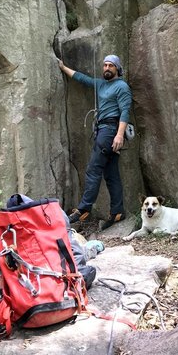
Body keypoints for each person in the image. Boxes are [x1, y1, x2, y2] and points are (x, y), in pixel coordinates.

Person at [58, 54, 132, 229]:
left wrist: (119, 135)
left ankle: (84, 209)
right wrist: (63, 68)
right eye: (105, 65)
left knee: (93, 169)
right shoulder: (100, 84)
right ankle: (117, 212)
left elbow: (125, 112)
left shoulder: (121, 87)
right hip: (103, 130)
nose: (107, 68)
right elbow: (82, 78)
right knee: (111, 173)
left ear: (117, 69)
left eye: (111, 66)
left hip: (110, 131)